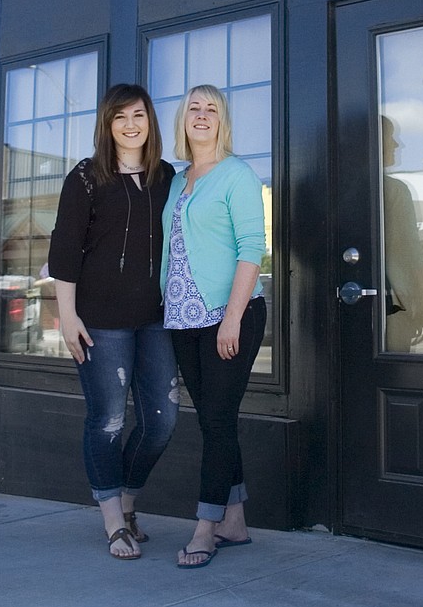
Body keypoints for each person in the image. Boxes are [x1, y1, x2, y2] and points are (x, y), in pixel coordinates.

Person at [48, 83, 178, 561]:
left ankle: (126, 503)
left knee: (162, 421)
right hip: (99, 321)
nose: (129, 125)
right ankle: (112, 522)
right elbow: (63, 249)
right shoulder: (86, 176)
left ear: (150, 122)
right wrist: (67, 316)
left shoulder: (167, 177)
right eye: (119, 117)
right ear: (107, 124)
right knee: (108, 420)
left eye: (138, 115)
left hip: (157, 319)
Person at [161, 84, 267, 569]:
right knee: (212, 420)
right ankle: (236, 520)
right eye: (194, 108)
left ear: (222, 121)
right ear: (183, 120)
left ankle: (206, 528)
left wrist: (233, 318)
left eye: (212, 109)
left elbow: (252, 248)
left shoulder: (236, 174)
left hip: (229, 315)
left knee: (219, 420)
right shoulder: (178, 179)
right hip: (184, 317)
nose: (202, 115)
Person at [380, 115, 423, 352]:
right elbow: (412, 254)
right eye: (390, 137)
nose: (397, 144)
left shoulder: (332, 190)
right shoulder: (394, 191)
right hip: (393, 308)